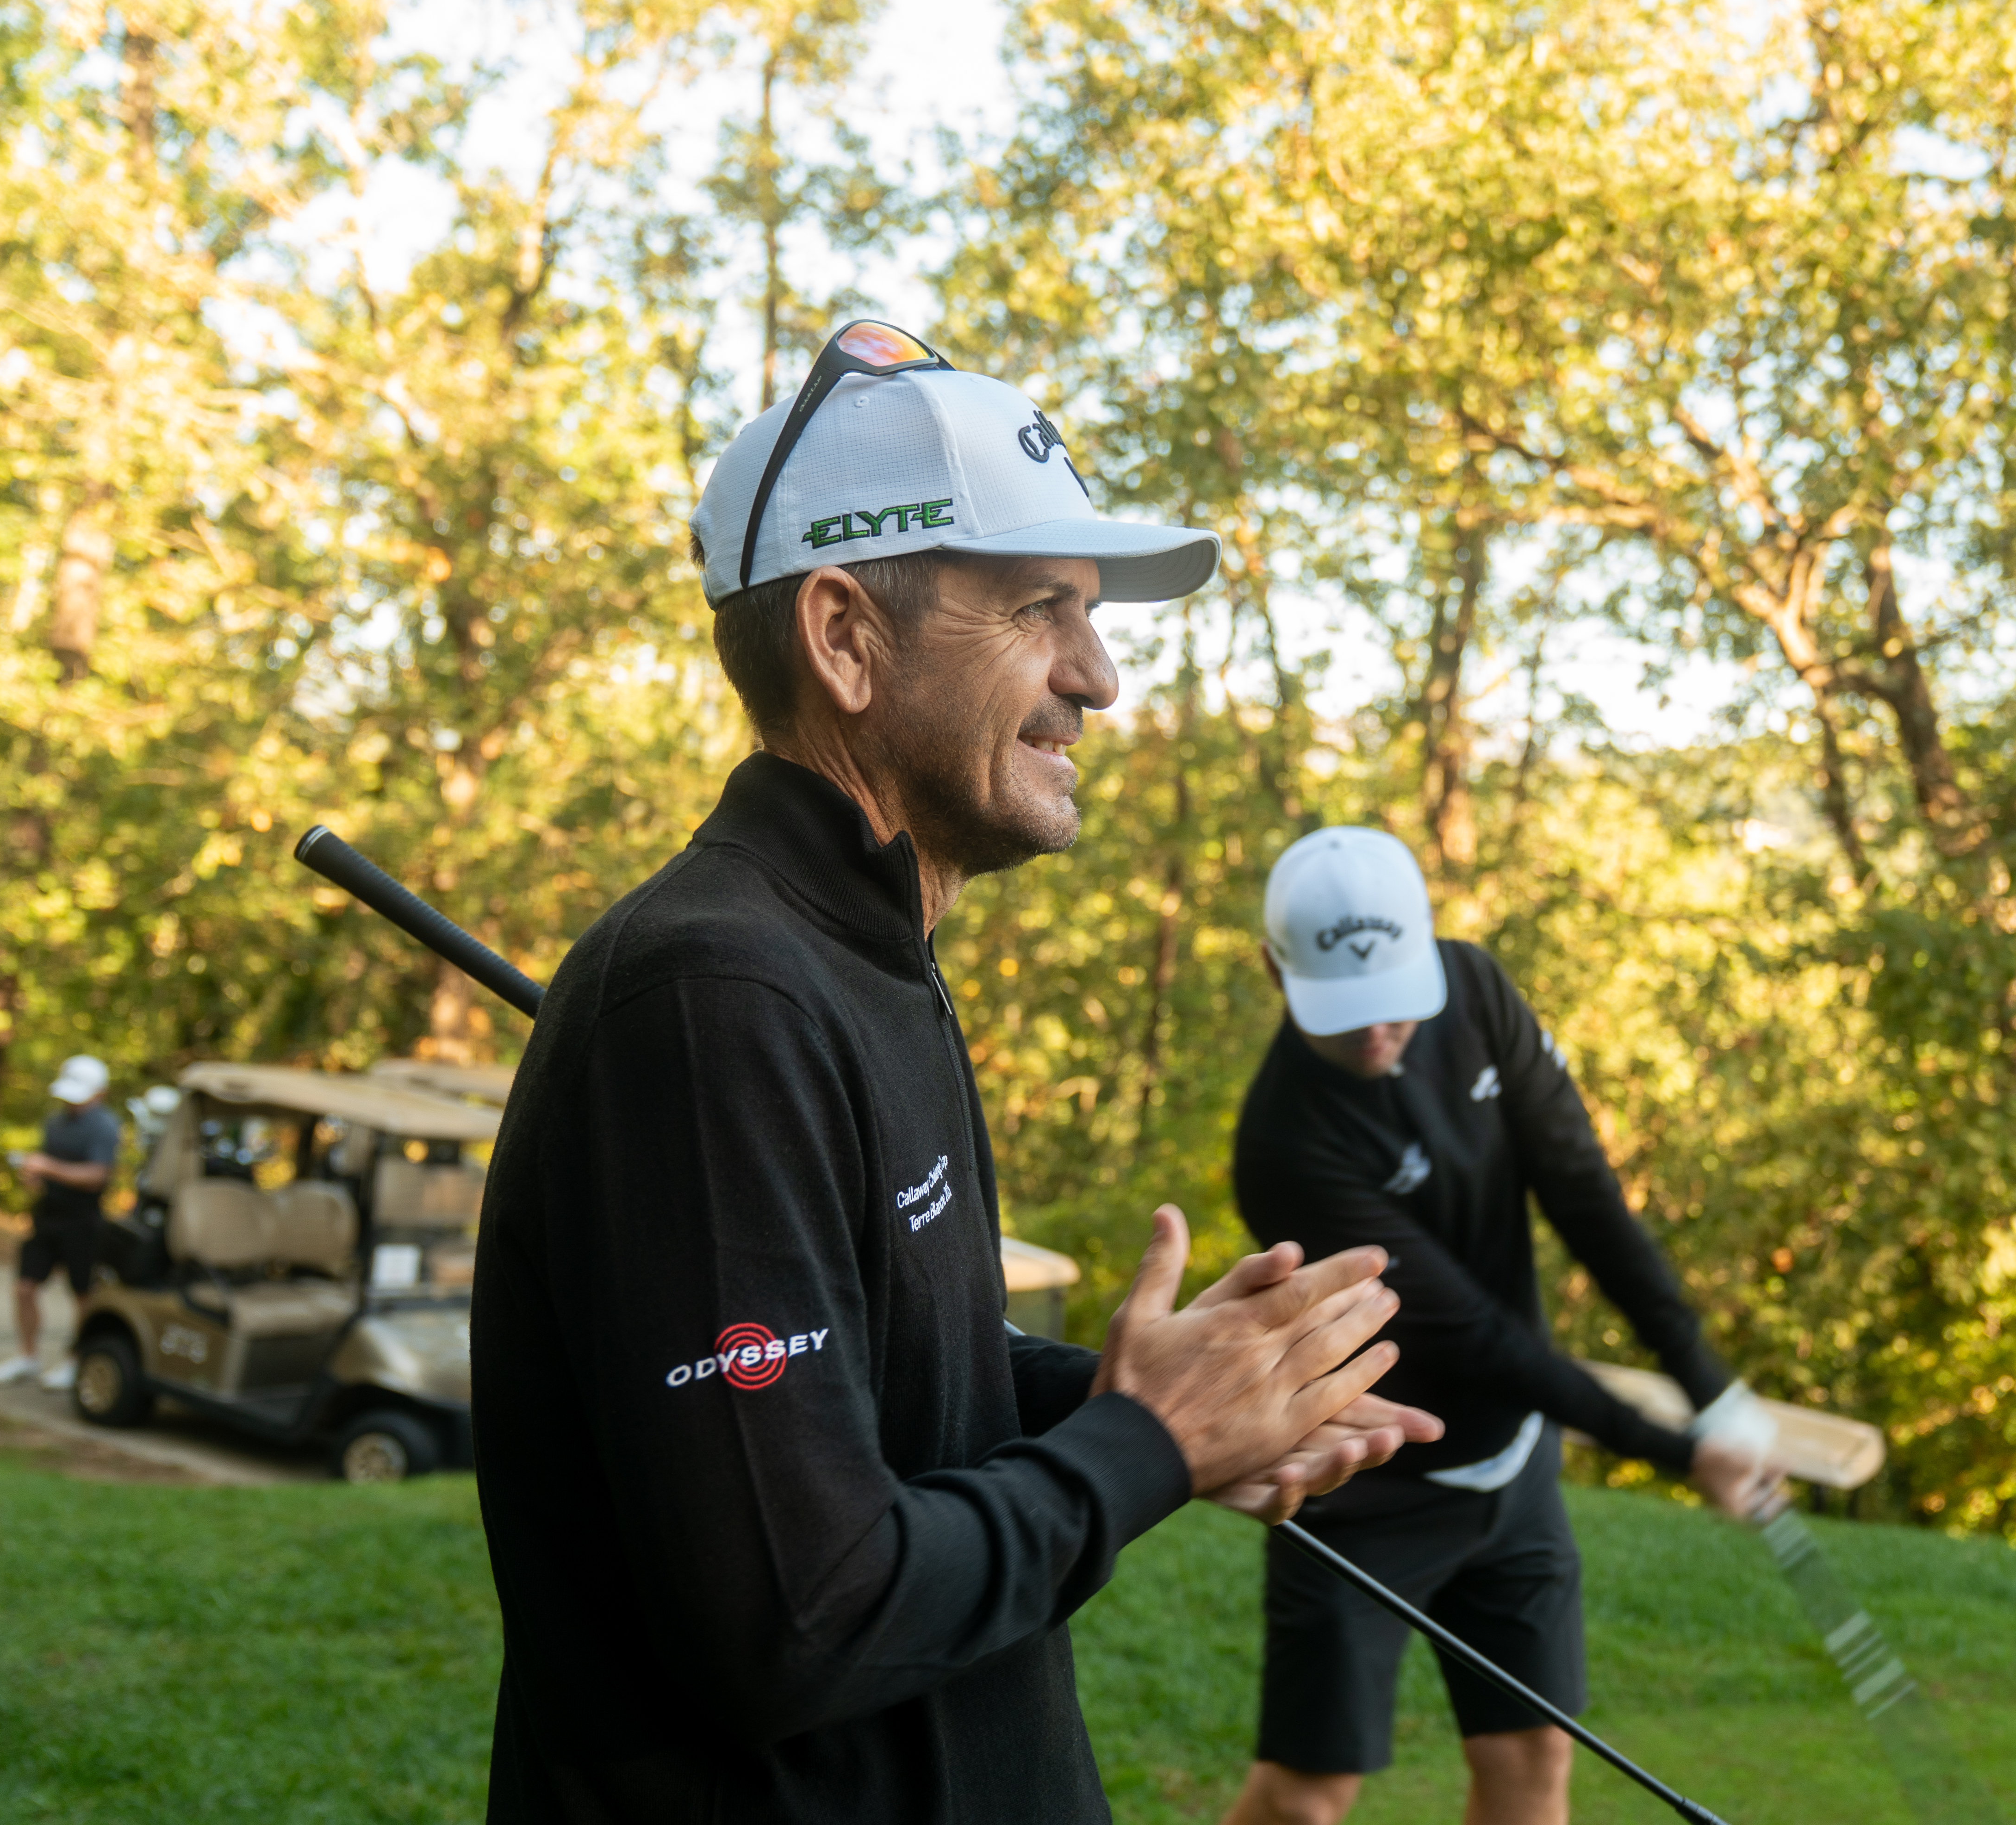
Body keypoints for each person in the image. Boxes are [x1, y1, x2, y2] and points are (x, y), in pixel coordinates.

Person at [471, 321, 1440, 1825]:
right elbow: (802, 1616)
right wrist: (1144, 1444)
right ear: (846, 639)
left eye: (1091, 615)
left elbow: (890, 1384)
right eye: (1041, 608)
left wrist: (1150, 1390)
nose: (1098, 676)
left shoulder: (864, 954)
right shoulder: (712, 1000)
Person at [1221, 828, 1782, 1825]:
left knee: (1531, 1760)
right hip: (1364, 1483)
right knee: (1306, 1798)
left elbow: (1582, 1190)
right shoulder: (1282, 1144)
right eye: (1347, 1010)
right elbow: (1473, 1338)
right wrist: (1676, 1451)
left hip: (1512, 1471)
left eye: (1395, 996)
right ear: (1276, 969)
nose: (1379, 1030)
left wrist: (1712, 1387)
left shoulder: (1473, 989)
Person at [0, 1053, 118, 1390]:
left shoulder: (104, 1126)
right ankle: (28, 1357)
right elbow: (49, 1167)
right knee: (24, 1288)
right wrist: (35, 1176)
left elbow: (97, 1176)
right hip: (47, 1217)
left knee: (83, 1295)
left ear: (99, 1093)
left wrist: (49, 1168)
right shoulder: (55, 1123)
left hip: (83, 1222)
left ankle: (76, 1360)